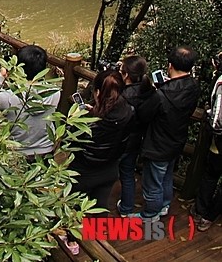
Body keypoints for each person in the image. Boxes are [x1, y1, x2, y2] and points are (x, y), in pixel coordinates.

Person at [135, 45, 200, 221]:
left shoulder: (162, 95)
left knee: (152, 183)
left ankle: (150, 214)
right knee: (166, 177)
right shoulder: (193, 86)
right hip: (177, 140)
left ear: (170, 65)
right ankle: (164, 205)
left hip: (158, 144)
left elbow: (144, 114)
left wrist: (153, 93)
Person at [71, 69, 134, 211]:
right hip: (110, 169)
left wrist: (76, 119)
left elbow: (70, 142)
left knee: (73, 213)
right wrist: (94, 111)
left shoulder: (88, 124)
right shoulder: (128, 112)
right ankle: (97, 233)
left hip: (83, 173)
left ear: (98, 92)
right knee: (99, 209)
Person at [0, 45, 61, 159]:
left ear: (19, 68)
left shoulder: (9, 97)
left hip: (17, 152)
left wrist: (1, 77)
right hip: (46, 150)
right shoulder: (55, 92)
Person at [117, 55, 155, 216]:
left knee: (105, 172)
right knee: (127, 173)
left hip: (121, 140)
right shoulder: (149, 90)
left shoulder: (125, 96)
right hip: (137, 139)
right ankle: (126, 208)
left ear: (125, 75)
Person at [190, 50, 222, 231]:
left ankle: (203, 213)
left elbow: (218, 120)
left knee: (211, 174)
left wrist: (209, 114)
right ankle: (210, 214)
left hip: (219, 143)